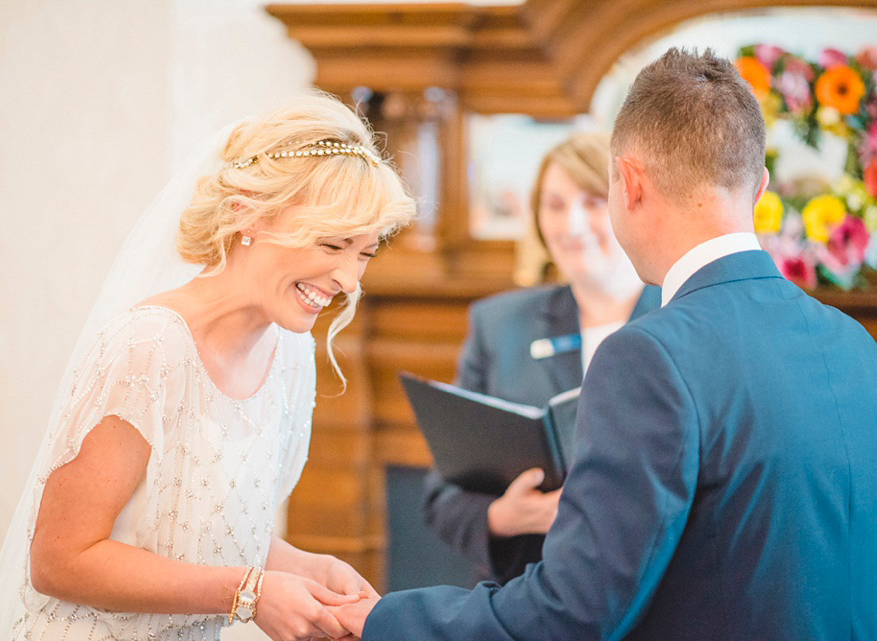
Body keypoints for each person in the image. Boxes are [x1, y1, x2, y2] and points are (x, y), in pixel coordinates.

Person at [332, 48, 877, 641]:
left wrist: (379, 618)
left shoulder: (650, 357)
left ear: (629, 183)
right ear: (760, 185)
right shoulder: (852, 343)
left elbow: (570, 613)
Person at [0, 93, 416, 641]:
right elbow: (59, 560)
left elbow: (197, 533)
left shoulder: (290, 353)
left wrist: (301, 567)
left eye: (365, 254)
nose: (350, 280)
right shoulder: (148, 347)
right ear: (245, 213)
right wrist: (248, 592)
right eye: (332, 244)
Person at [423, 133, 659, 585]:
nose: (571, 224)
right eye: (553, 205)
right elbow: (442, 496)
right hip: (528, 590)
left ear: (630, 205)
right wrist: (503, 516)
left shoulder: (682, 317)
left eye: (592, 202)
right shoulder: (497, 325)